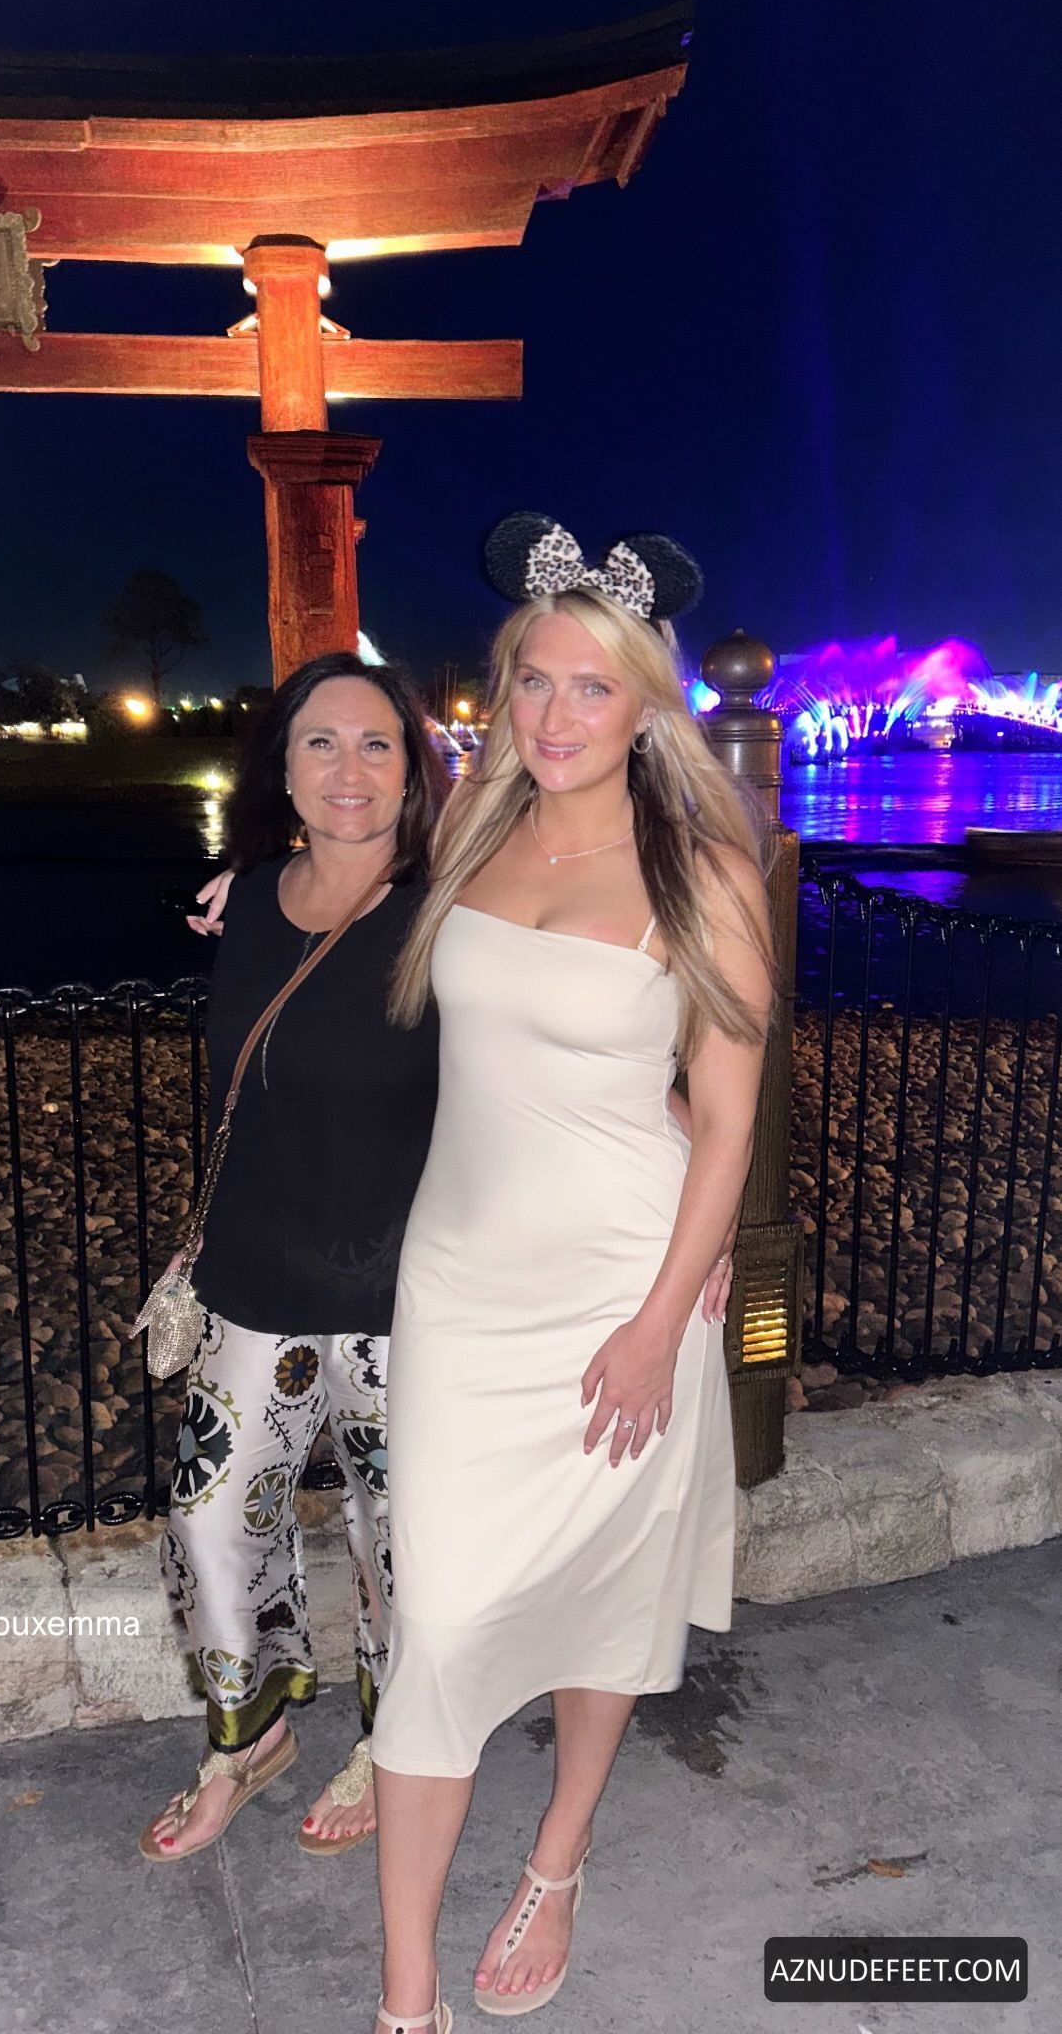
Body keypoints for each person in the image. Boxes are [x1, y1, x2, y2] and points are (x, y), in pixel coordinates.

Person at [367, 516, 774, 2033]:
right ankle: (406, 1998)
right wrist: (238, 892)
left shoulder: (703, 872)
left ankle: (558, 1855)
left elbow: (725, 1115)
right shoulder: (470, 836)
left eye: (591, 687)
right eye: (533, 680)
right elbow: (341, 880)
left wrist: (666, 1311)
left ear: (645, 707)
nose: (553, 713)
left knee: (605, 1592)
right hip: (459, 1289)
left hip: (621, 1289)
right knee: (441, 1624)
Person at [139, 651, 449, 1864]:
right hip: (255, 1275)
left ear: (414, 767)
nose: (349, 767)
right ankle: (248, 1735)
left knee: (396, 1539)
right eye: (321, 741)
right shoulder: (252, 899)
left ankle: (392, 1737)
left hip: (402, 1292)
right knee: (211, 1519)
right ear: (283, 764)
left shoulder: (456, 910)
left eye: (377, 742)